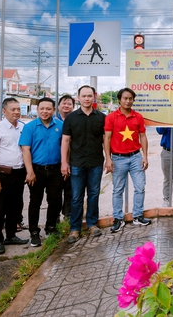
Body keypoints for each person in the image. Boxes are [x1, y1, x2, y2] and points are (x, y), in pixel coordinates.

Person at [61, 85, 107, 244]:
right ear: (78, 97)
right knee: (76, 197)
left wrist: (108, 158)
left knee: (94, 194)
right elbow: (65, 140)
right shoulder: (71, 118)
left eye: (90, 96)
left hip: (96, 162)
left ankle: (92, 224)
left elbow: (105, 140)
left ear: (94, 97)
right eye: (84, 96)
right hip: (76, 163)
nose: (87, 99)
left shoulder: (101, 117)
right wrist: (64, 163)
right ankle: (75, 228)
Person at [105, 88, 151, 233]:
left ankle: (137, 215)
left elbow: (143, 136)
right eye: (125, 98)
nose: (128, 101)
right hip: (118, 158)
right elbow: (106, 138)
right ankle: (118, 218)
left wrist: (145, 156)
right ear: (119, 99)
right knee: (118, 190)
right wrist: (108, 158)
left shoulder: (138, 117)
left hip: (136, 157)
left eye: (130, 98)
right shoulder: (111, 117)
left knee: (140, 187)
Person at [19, 97, 64, 247]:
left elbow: (66, 146)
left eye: (48, 109)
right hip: (36, 170)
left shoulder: (60, 125)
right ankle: (34, 232)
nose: (45, 111)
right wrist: (29, 171)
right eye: (42, 109)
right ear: (37, 110)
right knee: (35, 202)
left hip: (55, 170)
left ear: (53, 110)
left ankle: (50, 227)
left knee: (54, 201)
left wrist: (65, 164)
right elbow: (26, 150)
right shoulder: (30, 127)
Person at [0, 98, 28, 255]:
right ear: (4, 111)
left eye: (18, 109)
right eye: (13, 109)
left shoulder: (23, 127)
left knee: (15, 206)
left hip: (19, 173)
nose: (17, 112)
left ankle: (11, 235)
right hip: (3, 174)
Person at [57, 94, 75, 221]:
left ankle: (68, 214)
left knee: (70, 189)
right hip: (55, 162)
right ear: (58, 106)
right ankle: (55, 216)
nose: (66, 106)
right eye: (64, 103)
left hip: (73, 161)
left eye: (69, 104)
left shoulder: (75, 121)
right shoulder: (52, 121)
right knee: (55, 192)